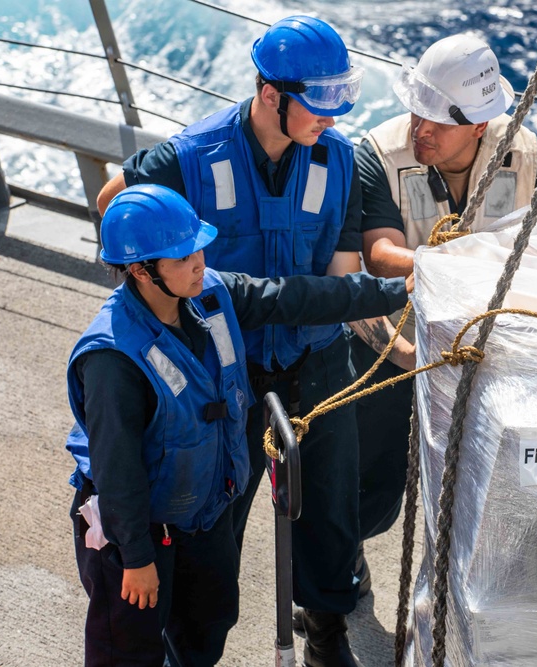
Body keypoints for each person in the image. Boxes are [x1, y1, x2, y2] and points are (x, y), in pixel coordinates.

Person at [95, 15, 390, 666]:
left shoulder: (338, 158)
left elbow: (341, 272)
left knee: (330, 515)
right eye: (318, 108)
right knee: (211, 532)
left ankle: (326, 632)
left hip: (317, 362)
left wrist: (393, 325)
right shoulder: (186, 158)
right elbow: (113, 202)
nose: (332, 121)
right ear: (268, 94)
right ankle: (191, 651)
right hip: (230, 380)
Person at [66, 184, 410, 666]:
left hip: (202, 515)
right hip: (137, 532)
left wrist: (399, 290)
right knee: (129, 650)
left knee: (209, 622)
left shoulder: (213, 295)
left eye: (198, 247)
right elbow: (116, 468)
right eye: (183, 256)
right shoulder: (113, 358)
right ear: (143, 271)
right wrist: (138, 558)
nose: (198, 261)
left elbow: (298, 297)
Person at [351, 34, 537, 549]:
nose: (421, 129)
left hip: (495, 353)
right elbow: (380, 254)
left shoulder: (529, 154)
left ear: (480, 125)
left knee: (499, 487)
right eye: (416, 112)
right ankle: (340, 581)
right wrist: (475, 264)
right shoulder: (377, 156)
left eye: (438, 121)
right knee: (372, 484)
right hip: (398, 349)